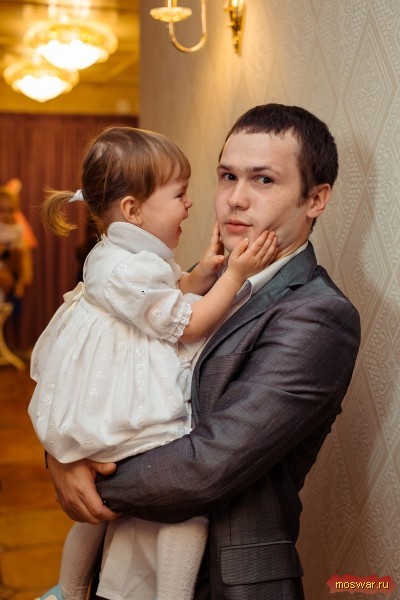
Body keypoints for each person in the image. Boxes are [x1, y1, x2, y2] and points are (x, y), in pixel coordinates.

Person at [46, 104, 361, 600]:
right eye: (227, 176)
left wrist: (80, 474)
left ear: (315, 198)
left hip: (218, 582)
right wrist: (61, 453)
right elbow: (97, 369)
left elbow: (204, 468)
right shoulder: (190, 283)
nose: (235, 199)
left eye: (263, 180)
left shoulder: (318, 316)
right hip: (120, 561)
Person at [28, 125, 278, 600]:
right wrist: (235, 275)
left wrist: (201, 275)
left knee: (100, 513)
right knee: (183, 515)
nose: (190, 204)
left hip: (101, 400)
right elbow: (188, 324)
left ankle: (69, 590)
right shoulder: (130, 267)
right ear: (133, 210)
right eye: (180, 194)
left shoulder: (120, 255)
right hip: (125, 405)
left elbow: (161, 297)